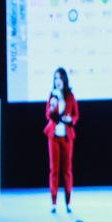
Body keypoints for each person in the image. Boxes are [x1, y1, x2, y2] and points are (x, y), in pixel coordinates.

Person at [43, 67, 79, 213]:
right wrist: (52, 108)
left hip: (66, 137)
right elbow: (47, 115)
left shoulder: (70, 96)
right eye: (55, 78)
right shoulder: (52, 95)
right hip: (53, 136)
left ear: (64, 79)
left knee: (67, 170)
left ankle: (68, 203)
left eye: (60, 78)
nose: (58, 81)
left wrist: (71, 120)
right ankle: (54, 203)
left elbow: (76, 115)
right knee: (54, 170)